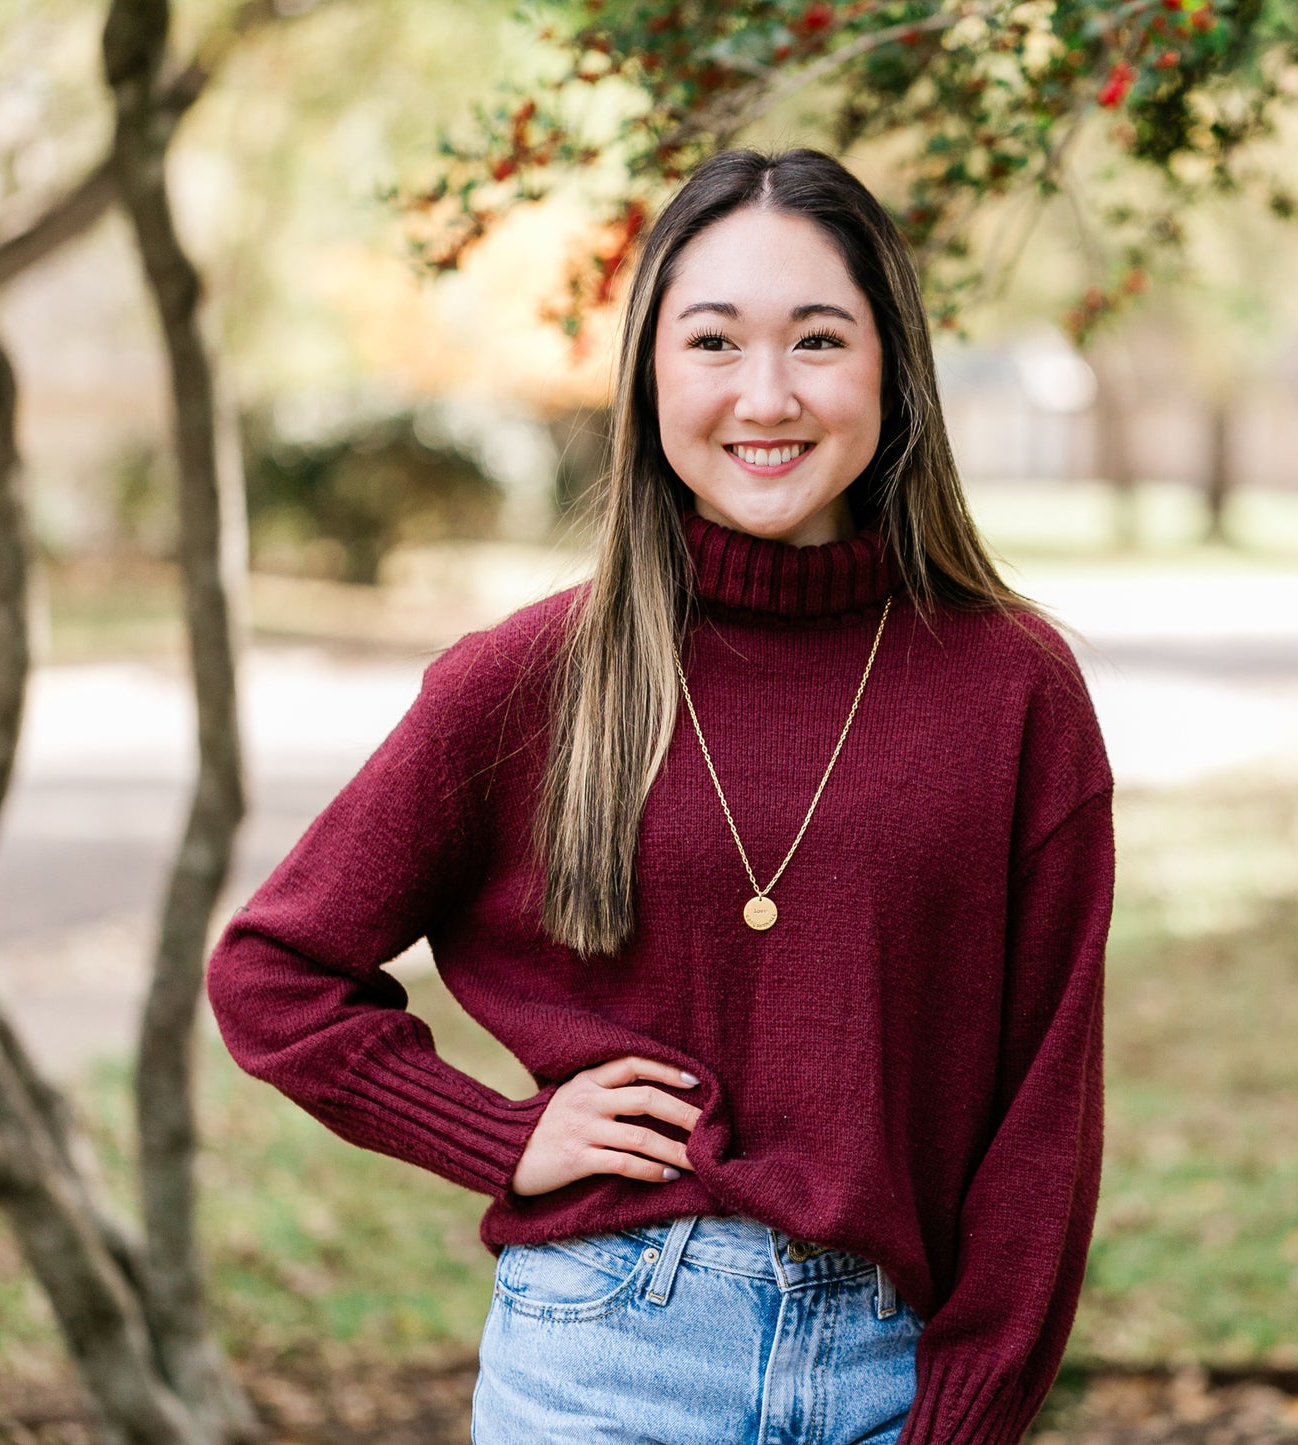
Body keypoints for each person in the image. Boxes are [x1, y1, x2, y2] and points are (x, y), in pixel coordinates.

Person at [206, 146, 1114, 1444]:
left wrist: (964, 1417)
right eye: (711, 342)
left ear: (890, 370)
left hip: (885, 1366)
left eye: (815, 340)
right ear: (648, 375)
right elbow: (271, 968)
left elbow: (1044, 1116)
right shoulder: (535, 675)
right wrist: (492, 1134)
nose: (764, 394)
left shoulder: (1010, 688)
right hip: (605, 1355)